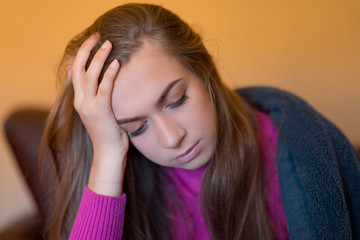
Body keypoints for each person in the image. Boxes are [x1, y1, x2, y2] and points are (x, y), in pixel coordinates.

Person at [39, 3, 360, 240]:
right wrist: (108, 154)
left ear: (203, 70)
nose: (171, 138)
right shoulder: (129, 172)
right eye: (136, 127)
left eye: (176, 100)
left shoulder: (291, 155)